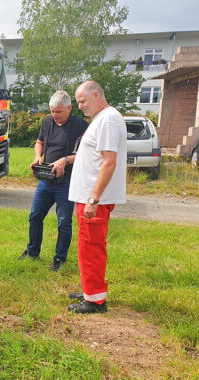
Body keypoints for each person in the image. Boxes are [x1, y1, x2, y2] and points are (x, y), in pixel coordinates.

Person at [67, 81, 127, 314]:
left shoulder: (108, 119)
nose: (79, 106)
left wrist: (93, 199)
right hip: (88, 198)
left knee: (91, 247)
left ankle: (95, 301)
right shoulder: (103, 118)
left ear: (96, 94)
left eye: (82, 101)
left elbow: (109, 162)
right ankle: (90, 290)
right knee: (86, 246)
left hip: (94, 200)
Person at [19, 90, 88, 271]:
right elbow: (40, 142)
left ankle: (59, 259)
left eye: (59, 112)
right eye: (52, 111)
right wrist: (37, 156)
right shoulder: (47, 122)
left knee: (63, 221)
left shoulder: (81, 126)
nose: (55, 116)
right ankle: (32, 251)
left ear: (69, 108)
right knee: (35, 217)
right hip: (46, 179)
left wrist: (65, 160)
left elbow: (85, 154)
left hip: (67, 182)